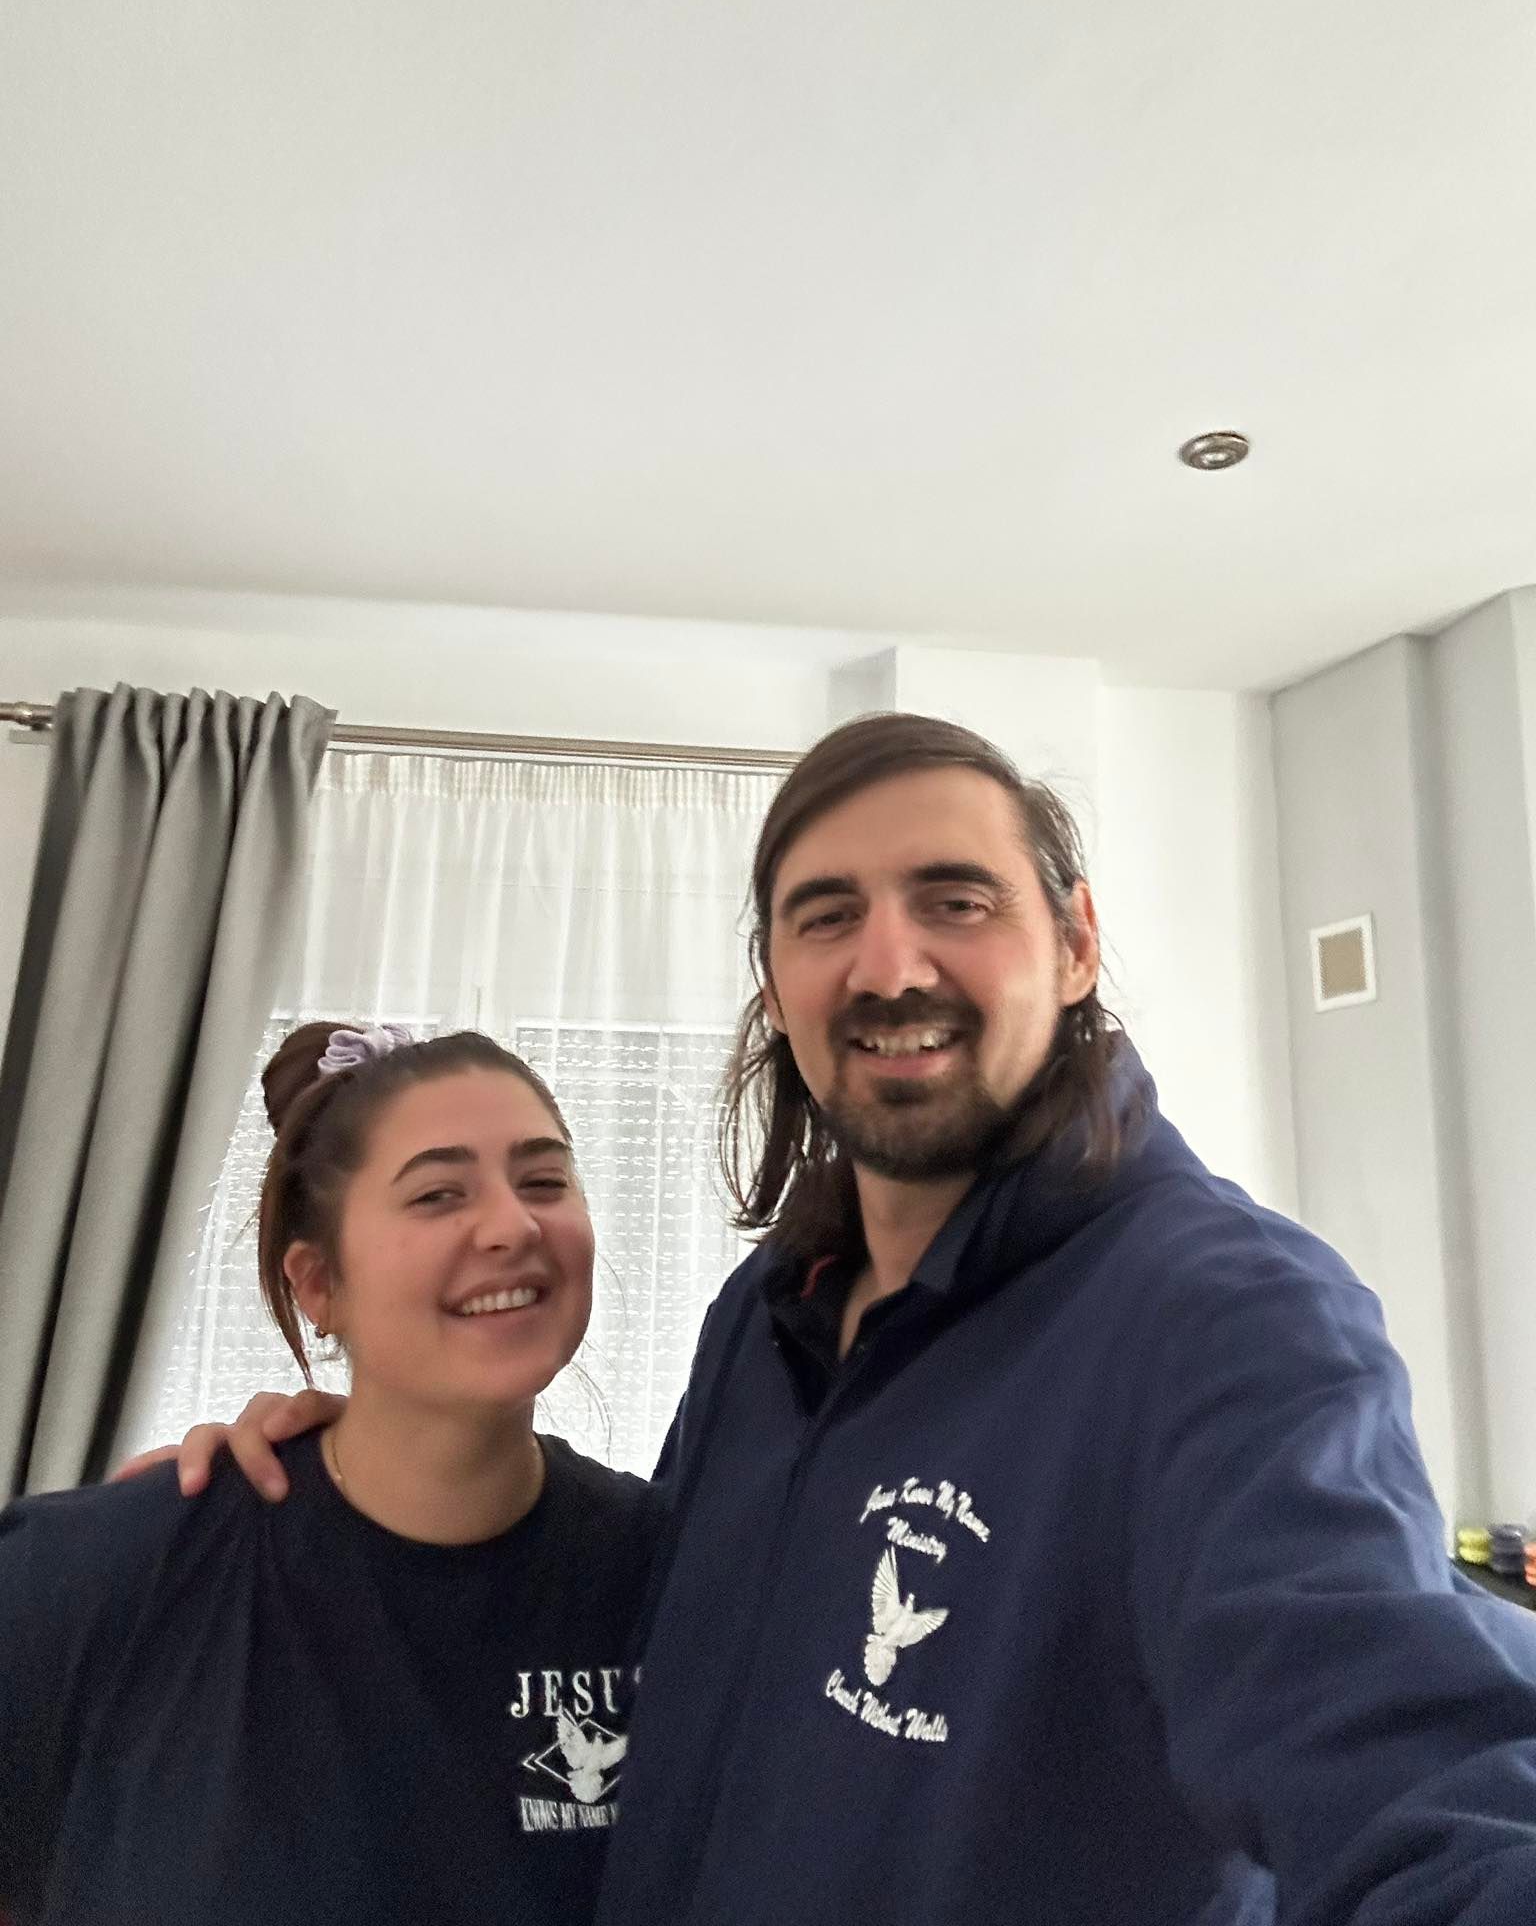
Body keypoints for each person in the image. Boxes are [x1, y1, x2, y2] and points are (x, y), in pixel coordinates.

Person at [140, 715, 1536, 1922]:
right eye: (826, 916)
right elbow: (666, 1625)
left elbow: (1411, 1765)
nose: (887, 964)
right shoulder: (768, 1312)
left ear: (1074, 943)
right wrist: (377, 1463)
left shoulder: (1229, 1319)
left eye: (955, 899)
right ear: (777, 985)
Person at [0, 1022, 661, 1926]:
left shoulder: (672, 1576)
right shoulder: (90, 1578)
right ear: (317, 1284)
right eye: (438, 1194)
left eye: (544, 1181)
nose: (513, 1225)